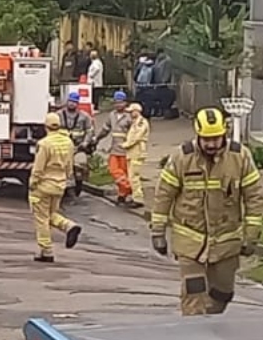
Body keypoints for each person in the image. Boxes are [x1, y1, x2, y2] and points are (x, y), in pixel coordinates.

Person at [150, 107, 263, 315]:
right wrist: (158, 231)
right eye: (206, 139)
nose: (211, 144)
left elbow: (254, 196)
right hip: (190, 241)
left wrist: (251, 235)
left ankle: (210, 322)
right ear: (198, 135)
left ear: (224, 134)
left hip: (226, 241)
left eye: (216, 139)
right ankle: (194, 334)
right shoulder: (182, 158)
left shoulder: (240, 157)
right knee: (195, 292)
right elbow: (164, 195)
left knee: (223, 293)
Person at [29, 112, 82, 263]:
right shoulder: (68, 142)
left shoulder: (44, 144)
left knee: (41, 219)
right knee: (51, 214)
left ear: (46, 126)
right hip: (59, 184)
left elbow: (38, 167)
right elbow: (69, 167)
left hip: (44, 185)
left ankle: (46, 251)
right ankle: (69, 226)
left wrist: (33, 183)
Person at [96, 90, 133, 203]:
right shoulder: (112, 115)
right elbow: (105, 129)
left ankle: (123, 194)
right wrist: (97, 138)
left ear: (125, 103)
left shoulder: (130, 116)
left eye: (120, 102)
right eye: (116, 102)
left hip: (126, 149)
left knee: (124, 171)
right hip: (114, 148)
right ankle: (129, 188)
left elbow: (136, 133)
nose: (118, 105)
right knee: (114, 170)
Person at [59, 90, 94, 195]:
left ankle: (79, 184)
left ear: (77, 103)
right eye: (70, 101)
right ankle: (63, 188)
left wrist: (86, 142)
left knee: (80, 165)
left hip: (78, 147)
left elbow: (90, 131)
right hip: (62, 147)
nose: (71, 103)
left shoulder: (85, 116)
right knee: (61, 167)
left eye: (74, 102)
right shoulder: (58, 115)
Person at [124, 101, 151, 208]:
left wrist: (126, 144)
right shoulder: (135, 122)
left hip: (137, 150)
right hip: (133, 151)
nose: (130, 114)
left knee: (134, 176)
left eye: (131, 112)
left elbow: (137, 137)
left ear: (136, 111)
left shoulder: (141, 122)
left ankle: (138, 199)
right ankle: (136, 197)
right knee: (131, 176)